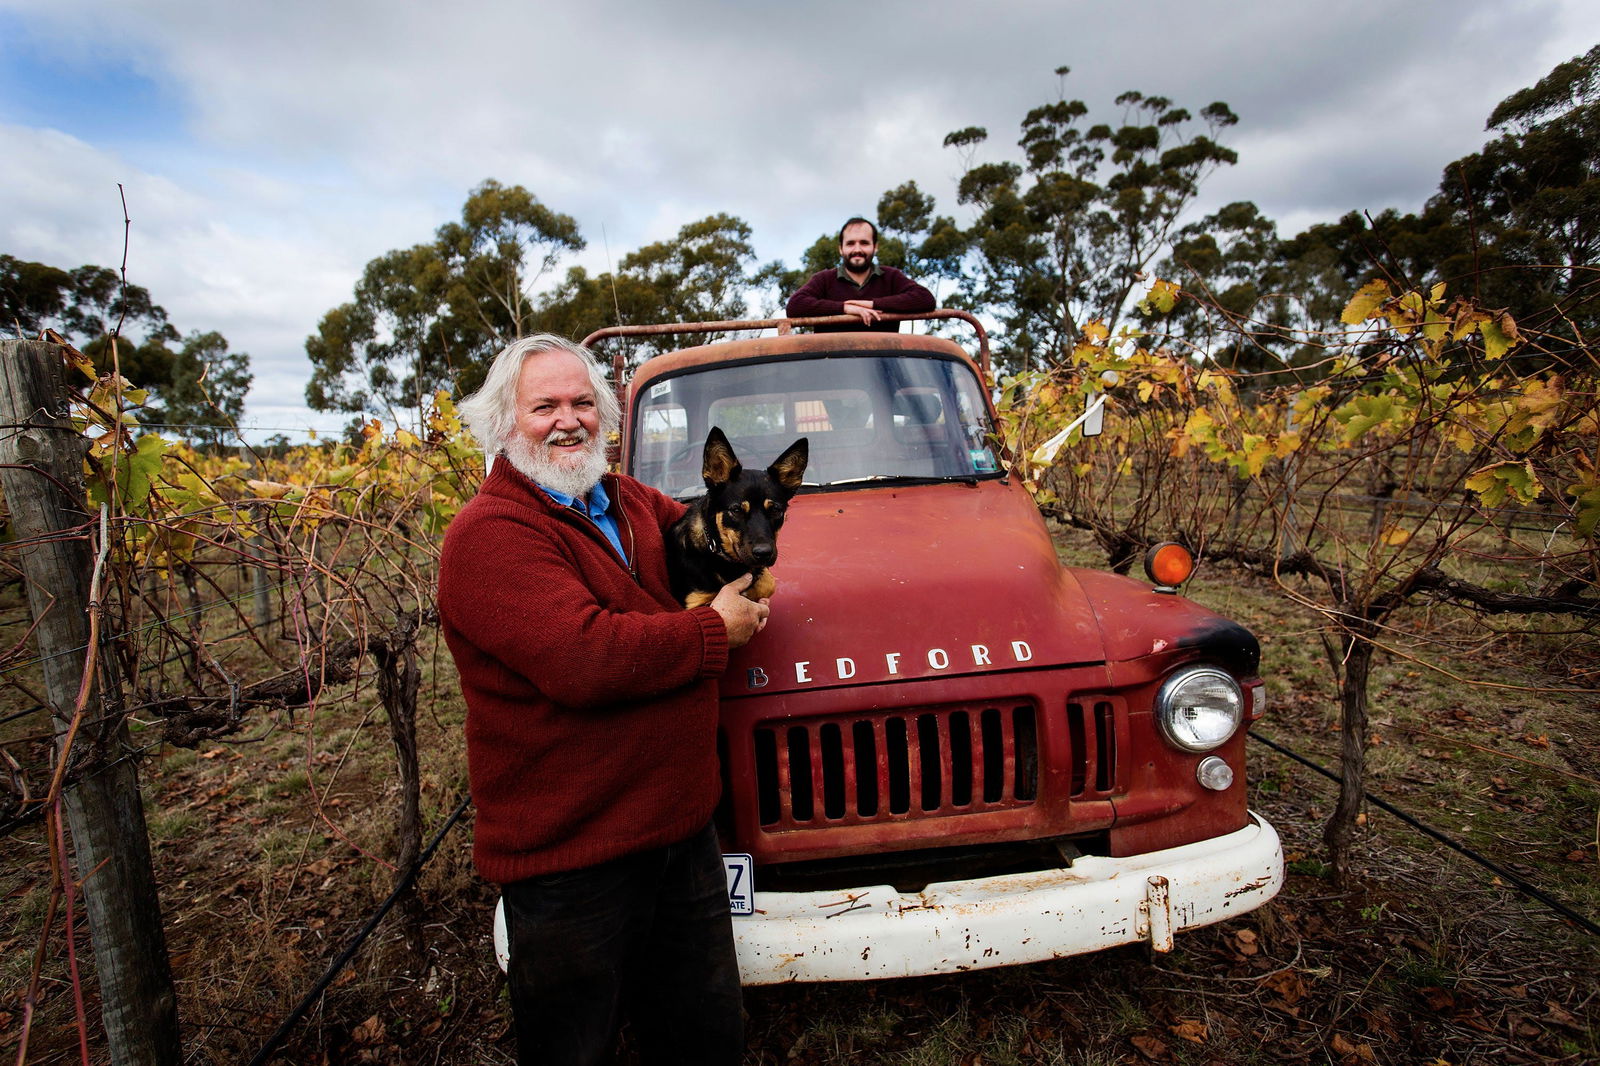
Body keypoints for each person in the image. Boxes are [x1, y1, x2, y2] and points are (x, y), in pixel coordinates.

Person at [438, 334, 764, 1065]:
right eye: (544, 406)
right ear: (502, 425)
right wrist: (713, 629)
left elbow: (708, 531)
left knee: (703, 1037)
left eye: (584, 402)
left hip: (678, 833)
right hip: (573, 859)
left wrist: (758, 524)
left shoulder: (623, 500)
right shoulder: (490, 536)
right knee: (575, 1048)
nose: (569, 420)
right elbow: (587, 658)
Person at [785, 216, 935, 332]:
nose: (857, 249)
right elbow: (795, 305)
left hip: (882, 364)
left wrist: (872, 304)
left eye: (864, 243)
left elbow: (925, 299)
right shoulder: (824, 279)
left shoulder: (891, 276)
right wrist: (845, 308)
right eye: (850, 244)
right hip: (832, 365)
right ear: (841, 249)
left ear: (875, 247)